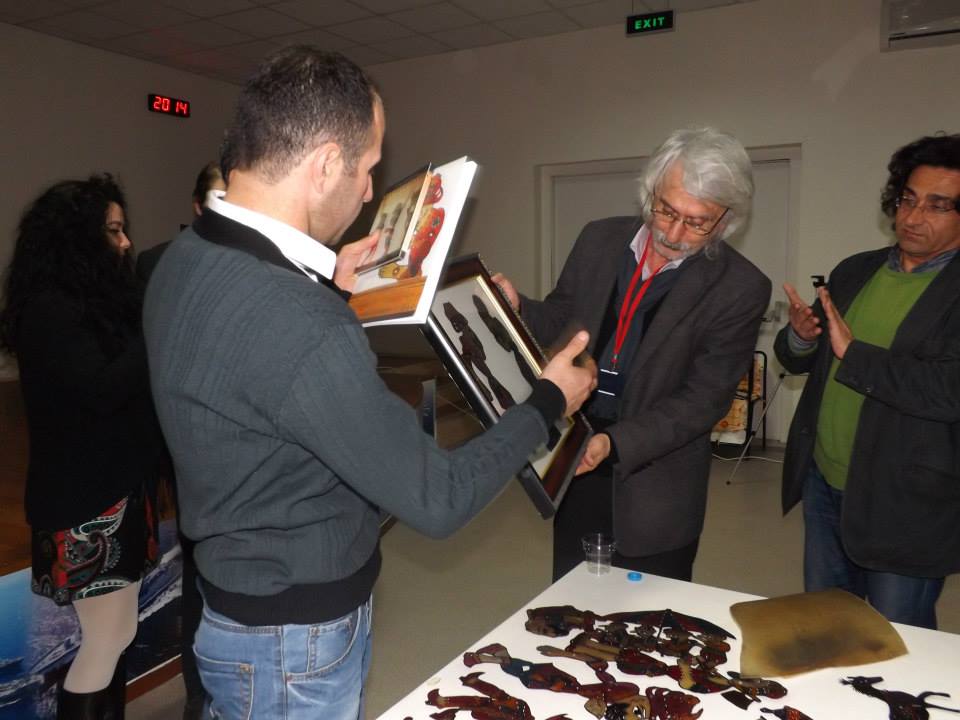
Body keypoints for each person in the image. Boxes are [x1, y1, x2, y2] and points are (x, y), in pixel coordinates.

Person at [142, 46, 595, 720]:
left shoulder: (181, 256)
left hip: (233, 601)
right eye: (367, 167)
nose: (367, 191)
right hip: (294, 642)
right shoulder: (302, 321)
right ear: (326, 163)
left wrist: (327, 278)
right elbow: (438, 498)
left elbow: (250, 367)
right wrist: (548, 400)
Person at [495, 128, 771, 582]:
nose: (674, 233)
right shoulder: (599, 239)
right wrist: (516, 308)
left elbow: (703, 401)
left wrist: (614, 443)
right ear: (650, 190)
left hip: (653, 479)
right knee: (569, 599)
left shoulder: (740, 288)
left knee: (648, 614)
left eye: (697, 222)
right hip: (575, 452)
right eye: (667, 210)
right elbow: (562, 318)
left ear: (725, 221)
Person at [775, 134, 960, 629]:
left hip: (906, 501)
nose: (913, 217)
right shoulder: (856, 270)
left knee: (898, 640)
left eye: (937, 205)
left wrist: (853, 354)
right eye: (908, 199)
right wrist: (801, 338)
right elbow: (802, 359)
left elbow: (948, 390)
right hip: (825, 481)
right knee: (828, 627)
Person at [0, 174, 162, 719]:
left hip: (112, 491)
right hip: (86, 502)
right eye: (113, 230)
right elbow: (103, 389)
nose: (126, 242)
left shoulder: (86, 304)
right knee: (107, 638)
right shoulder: (50, 309)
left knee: (117, 634)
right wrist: (155, 325)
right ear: (76, 238)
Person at [135, 161, 224, 720]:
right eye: (216, 197)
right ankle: (198, 693)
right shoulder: (157, 263)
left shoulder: (262, 264)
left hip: (240, 443)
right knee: (197, 569)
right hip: (182, 442)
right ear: (196, 205)